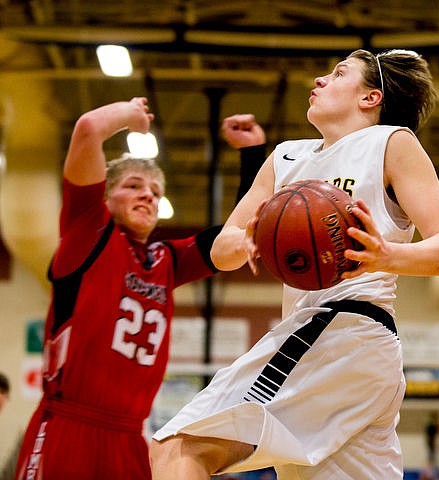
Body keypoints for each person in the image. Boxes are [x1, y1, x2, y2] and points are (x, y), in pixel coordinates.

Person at [149, 48, 439, 479]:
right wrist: (247, 237)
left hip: (343, 327)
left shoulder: (389, 142)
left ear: (370, 98)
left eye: (338, 74)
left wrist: (386, 255)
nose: (319, 79)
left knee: (179, 448)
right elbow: (224, 252)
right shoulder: (286, 158)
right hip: (340, 348)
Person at [13, 98, 265, 480]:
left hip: (130, 434)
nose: (147, 194)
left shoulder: (167, 260)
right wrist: (131, 114)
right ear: (105, 197)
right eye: (133, 186)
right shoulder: (88, 234)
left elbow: (236, 235)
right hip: (69, 426)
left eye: (154, 190)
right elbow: (87, 130)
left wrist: (252, 155)